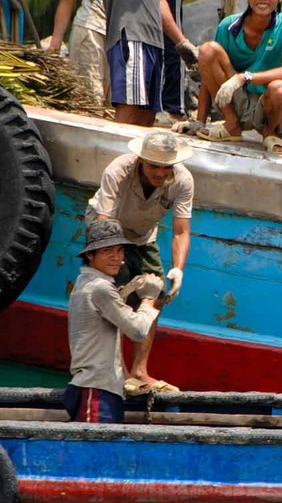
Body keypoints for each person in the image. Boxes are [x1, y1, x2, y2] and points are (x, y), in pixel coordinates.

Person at [85, 128, 194, 395]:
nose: (160, 173)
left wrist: (178, 269)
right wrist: (114, 259)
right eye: (154, 166)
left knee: (154, 294)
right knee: (111, 296)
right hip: (107, 230)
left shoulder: (183, 180)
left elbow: (181, 230)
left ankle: (139, 371)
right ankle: (116, 371)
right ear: (141, 161)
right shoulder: (119, 170)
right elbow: (103, 222)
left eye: (166, 167)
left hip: (144, 236)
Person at [187, 0, 282, 156]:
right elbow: (207, 72)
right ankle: (231, 125)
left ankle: (269, 132)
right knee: (207, 50)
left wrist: (243, 77)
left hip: (270, 102)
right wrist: (199, 121)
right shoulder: (228, 26)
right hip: (236, 100)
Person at [65, 219, 164, 423]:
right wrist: (148, 298)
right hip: (96, 389)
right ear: (90, 255)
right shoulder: (100, 288)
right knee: (93, 452)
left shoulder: (85, 284)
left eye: (119, 250)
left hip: (101, 389)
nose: (116, 257)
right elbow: (137, 331)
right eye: (107, 250)